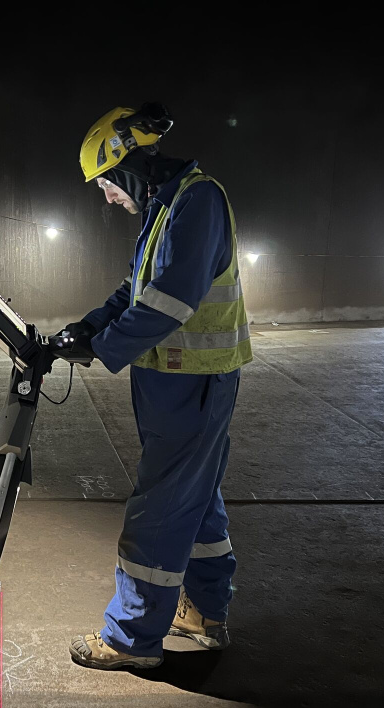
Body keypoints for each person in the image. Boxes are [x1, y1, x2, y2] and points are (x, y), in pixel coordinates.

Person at [64, 103, 252, 670]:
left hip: (192, 382)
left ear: (126, 164)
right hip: (174, 380)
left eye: (104, 184)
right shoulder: (165, 207)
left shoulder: (198, 200)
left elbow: (173, 296)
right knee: (197, 501)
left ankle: (131, 637)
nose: (106, 198)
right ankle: (204, 612)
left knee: (162, 507)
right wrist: (87, 327)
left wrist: (103, 348)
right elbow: (135, 289)